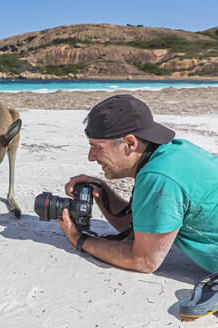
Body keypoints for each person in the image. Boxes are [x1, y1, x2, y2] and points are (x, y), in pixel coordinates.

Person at [57, 94, 218, 318]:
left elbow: (143, 260)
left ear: (130, 143)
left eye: (97, 147)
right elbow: (139, 226)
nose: (90, 157)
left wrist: (78, 239)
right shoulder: (173, 151)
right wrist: (102, 193)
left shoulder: (159, 177)